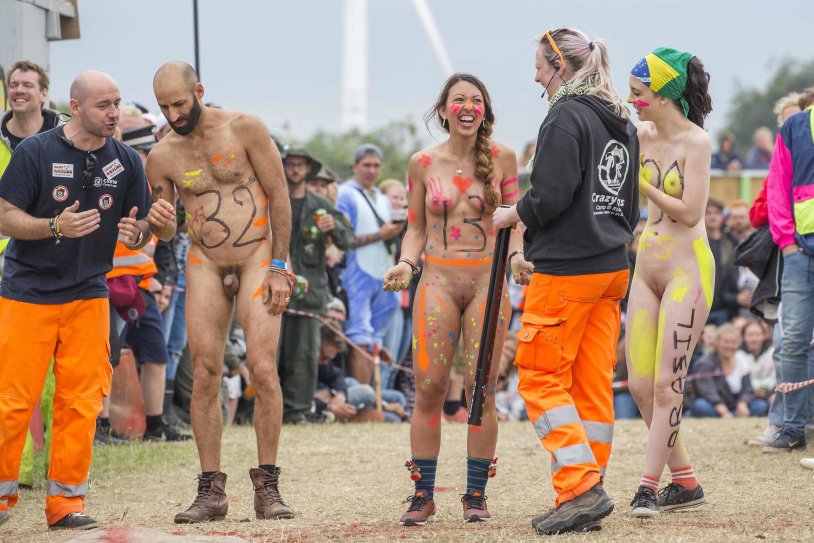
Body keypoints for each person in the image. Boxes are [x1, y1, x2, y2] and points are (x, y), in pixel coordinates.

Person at [492, 28, 638, 534]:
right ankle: (582, 492)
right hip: (612, 265)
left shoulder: (565, 115)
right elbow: (630, 201)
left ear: (559, 66)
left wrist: (513, 213)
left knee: (538, 377)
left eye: (538, 66)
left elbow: (549, 195)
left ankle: (581, 488)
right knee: (589, 385)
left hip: (568, 269)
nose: (535, 75)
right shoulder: (621, 118)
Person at [0, 70, 158, 530]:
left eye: (117, 103)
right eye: (104, 106)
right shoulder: (36, 151)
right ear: (75, 107)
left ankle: (66, 505)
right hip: (27, 293)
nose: (114, 114)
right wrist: (53, 227)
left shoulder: (127, 160)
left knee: (81, 402)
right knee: (13, 400)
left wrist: (141, 230)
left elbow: (145, 223)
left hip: (90, 292)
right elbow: (5, 215)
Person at [147, 61, 294, 523]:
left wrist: (278, 266)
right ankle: (211, 490)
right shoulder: (161, 155)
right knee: (206, 371)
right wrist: (160, 224)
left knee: (262, 367)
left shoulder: (244, 127)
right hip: (205, 261)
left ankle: (267, 486)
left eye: (179, 103)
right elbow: (166, 228)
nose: (173, 114)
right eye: (164, 107)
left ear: (199, 91)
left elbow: (280, 195)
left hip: (257, 255)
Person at [384, 72, 520, 525]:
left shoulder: (503, 159)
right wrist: (406, 264)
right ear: (443, 110)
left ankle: (476, 496)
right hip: (438, 281)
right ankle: (422, 494)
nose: (467, 106)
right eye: (458, 99)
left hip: (488, 280)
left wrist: (518, 257)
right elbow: (416, 228)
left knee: (480, 390)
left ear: (485, 110)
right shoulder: (422, 162)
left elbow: (514, 221)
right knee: (429, 388)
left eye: (475, 100)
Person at [625, 47, 714, 518]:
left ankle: (646, 486)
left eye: (639, 93)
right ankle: (686, 482)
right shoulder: (640, 133)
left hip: (688, 269)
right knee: (640, 384)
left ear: (663, 95)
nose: (632, 99)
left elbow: (691, 211)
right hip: (647, 267)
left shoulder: (696, 143)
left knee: (667, 384)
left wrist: (645, 188)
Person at [279, 146, 354, 424]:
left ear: (308, 169)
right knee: (269, 354)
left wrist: (332, 227)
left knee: (305, 355)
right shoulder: (273, 199)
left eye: (301, 165)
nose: (295, 169)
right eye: (290, 164)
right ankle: (256, 410)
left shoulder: (321, 205)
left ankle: (297, 412)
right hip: (274, 290)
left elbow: (349, 239)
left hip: (310, 294)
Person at [764, 85, 814, 453]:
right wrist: (788, 242)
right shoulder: (793, 128)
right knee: (793, 341)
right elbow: (777, 189)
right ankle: (792, 429)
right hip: (799, 252)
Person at [336, 144, 402, 384]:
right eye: (366, 165)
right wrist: (380, 235)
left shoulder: (382, 199)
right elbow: (342, 238)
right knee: (359, 336)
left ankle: (374, 398)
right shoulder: (345, 194)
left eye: (376, 165)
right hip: (356, 274)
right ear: (355, 166)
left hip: (381, 274)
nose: (371, 170)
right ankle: (361, 398)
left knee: (375, 338)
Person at [690, 324, 768, 417]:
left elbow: (748, 388)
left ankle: (736, 414)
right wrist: (723, 410)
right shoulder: (705, 363)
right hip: (714, 405)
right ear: (717, 342)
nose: (729, 346)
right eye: (726, 342)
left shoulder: (742, 359)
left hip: (736, 404)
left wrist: (743, 403)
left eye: (733, 342)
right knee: (700, 406)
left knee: (760, 405)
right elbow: (707, 391)